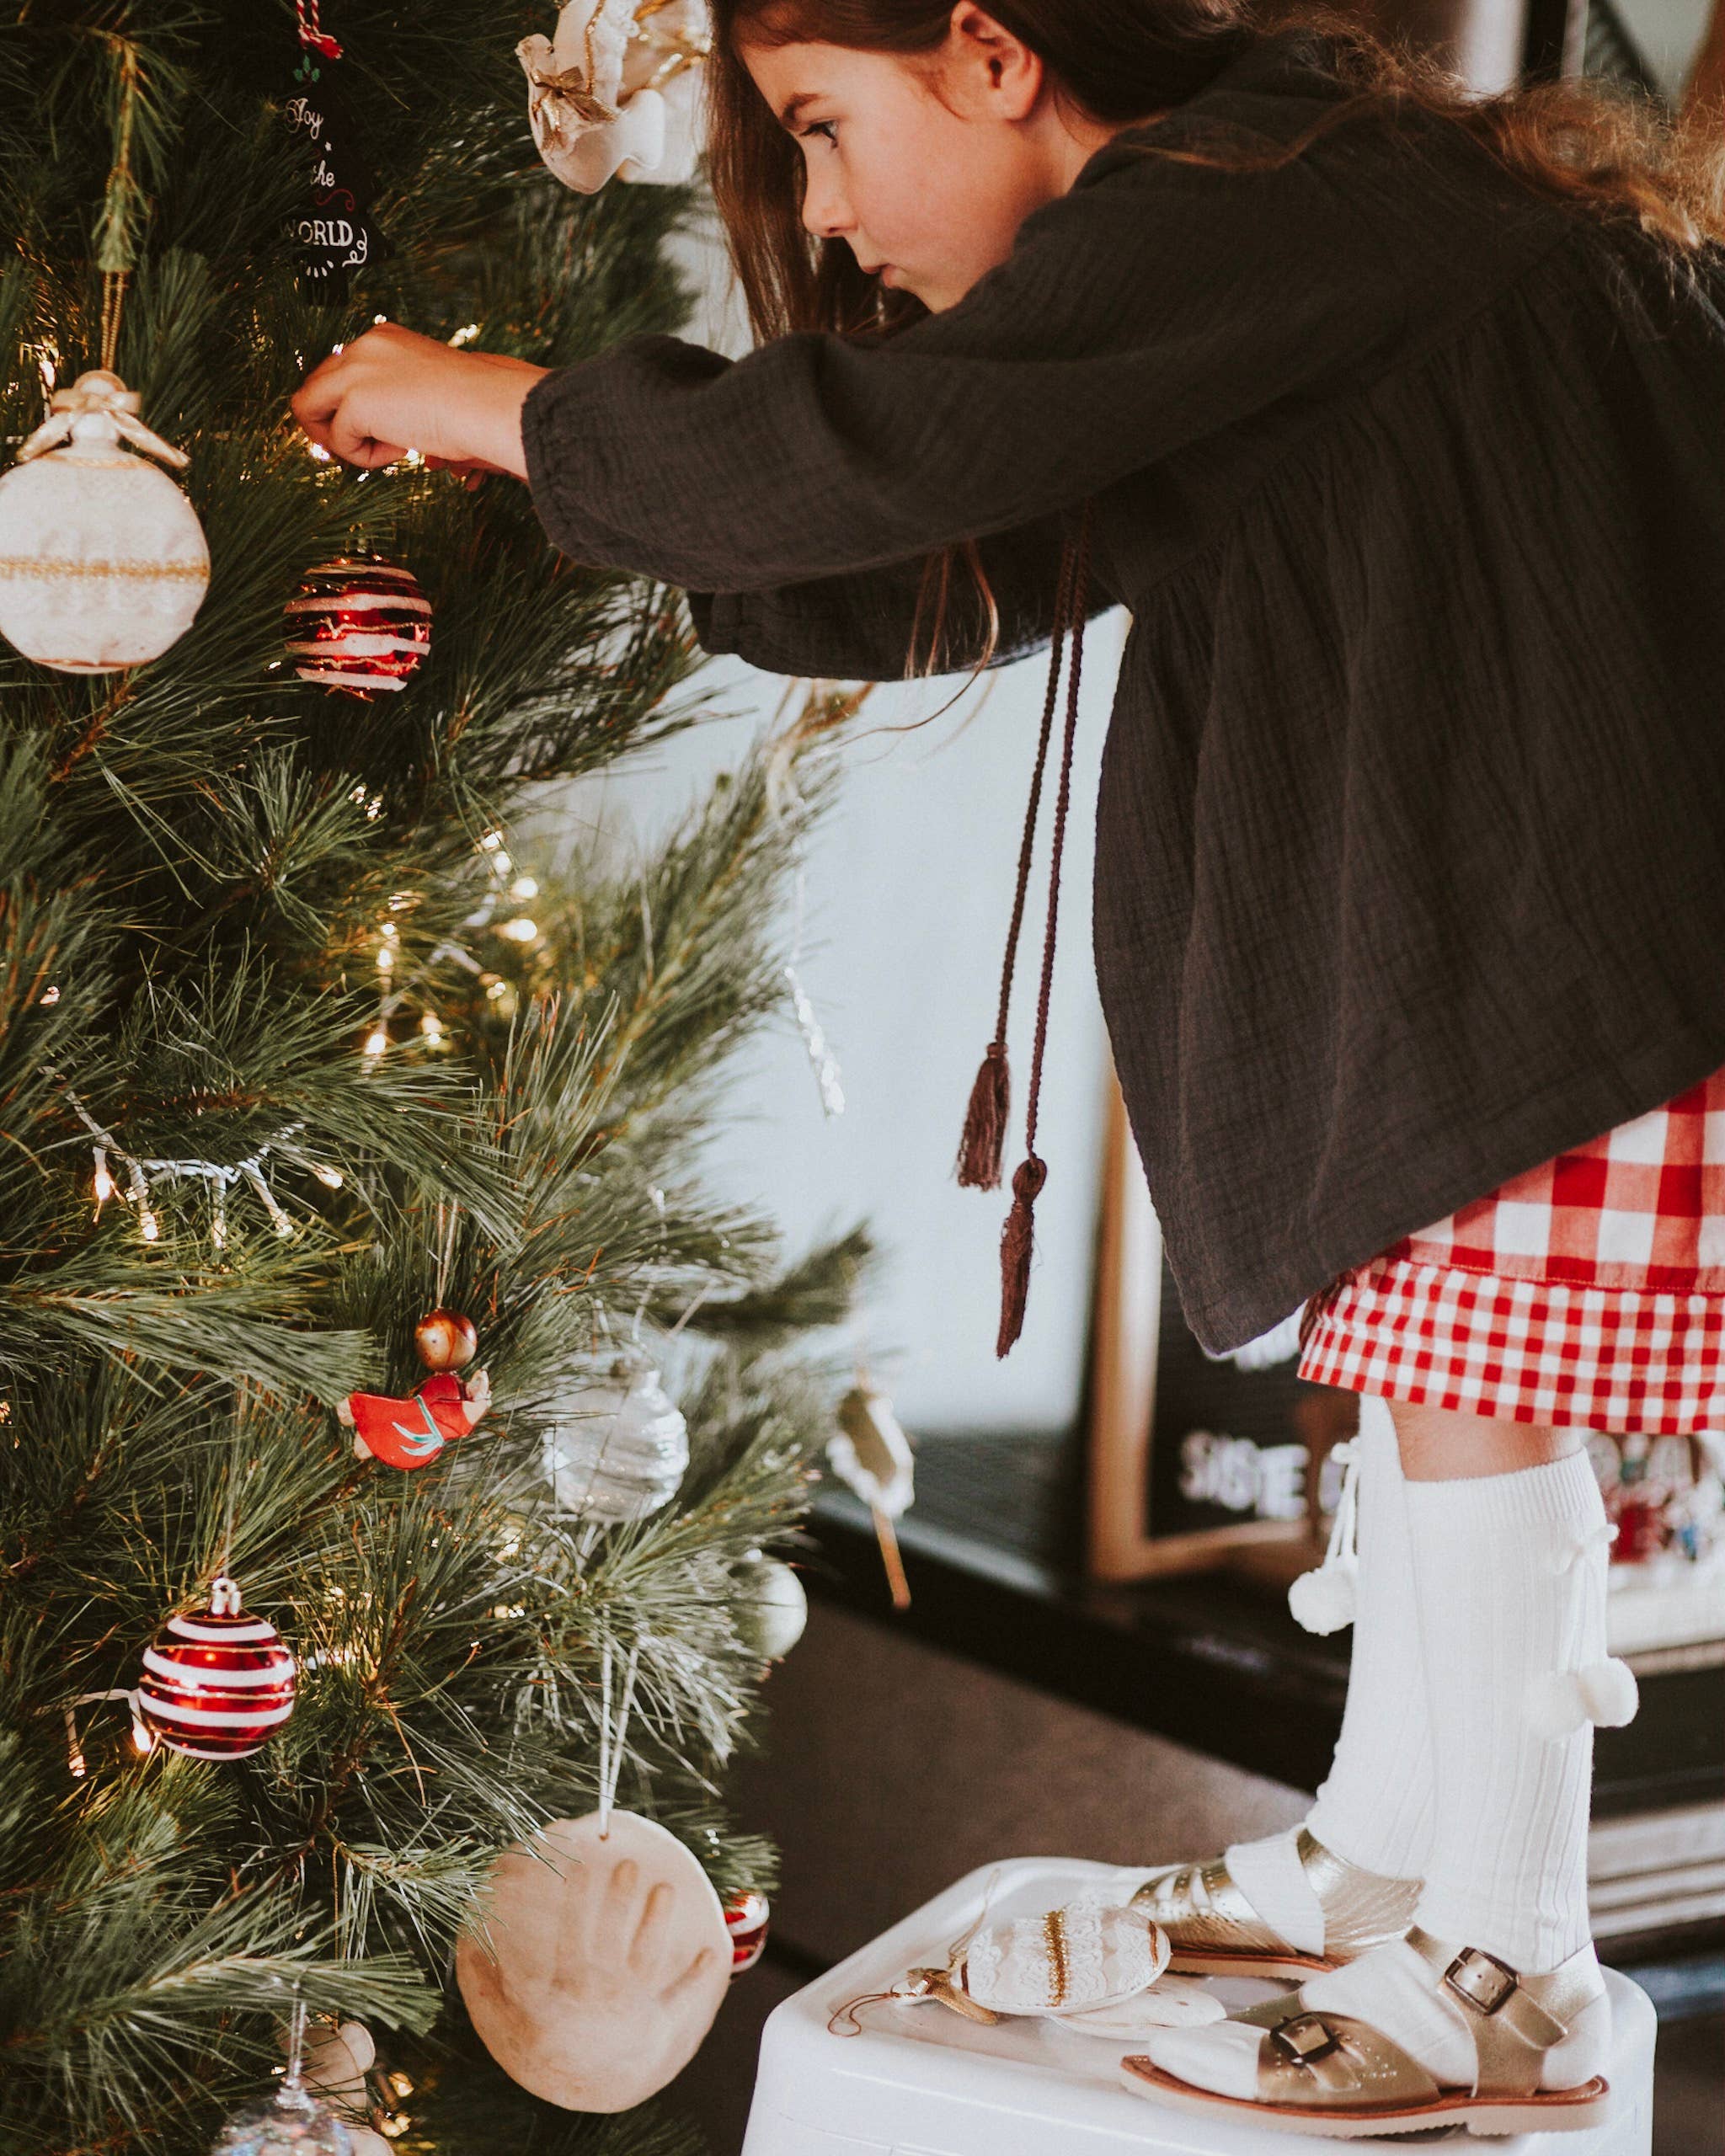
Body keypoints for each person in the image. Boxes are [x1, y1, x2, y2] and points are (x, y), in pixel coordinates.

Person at [292, 1, 1725, 2135]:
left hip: (1555, 907)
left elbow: (873, 451)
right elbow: (924, 554)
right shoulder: (1276, 220)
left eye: (824, 128)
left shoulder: (1255, 200)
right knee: (1433, 1361)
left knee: (1473, 1399)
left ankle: (1508, 1936)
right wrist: (596, 491)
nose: (840, 218)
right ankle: (1393, 1837)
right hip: (1523, 904)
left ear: (987, 50)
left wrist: (477, 398)